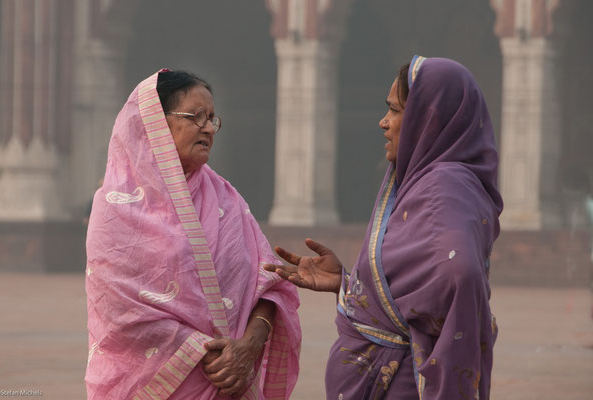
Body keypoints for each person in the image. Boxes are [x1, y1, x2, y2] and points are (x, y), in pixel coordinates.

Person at [265, 56, 503, 399]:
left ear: (428, 118)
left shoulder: (443, 187)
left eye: (394, 110)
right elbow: (412, 290)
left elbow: (459, 274)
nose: (383, 122)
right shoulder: (423, 182)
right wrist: (348, 285)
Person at [85, 69, 301, 399]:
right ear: (154, 123)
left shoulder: (226, 198)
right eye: (196, 116)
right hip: (158, 383)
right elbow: (119, 312)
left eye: (213, 119)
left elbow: (269, 283)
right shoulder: (115, 206)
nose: (208, 128)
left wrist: (249, 345)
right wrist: (210, 351)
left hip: (231, 381)